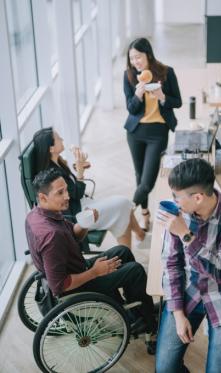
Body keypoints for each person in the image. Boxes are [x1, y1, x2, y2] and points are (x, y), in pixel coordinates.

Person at [25, 168, 157, 349]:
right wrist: (95, 272)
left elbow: (72, 234)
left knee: (122, 251)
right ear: (43, 197)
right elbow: (59, 286)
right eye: (60, 193)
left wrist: (86, 224)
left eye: (66, 190)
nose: (67, 196)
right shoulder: (51, 236)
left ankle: (137, 308)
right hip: (75, 286)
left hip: (77, 268)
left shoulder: (35, 214)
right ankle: (149, 323)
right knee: (135, 270)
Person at [155, 158, 221, 373]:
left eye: (176, 197)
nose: (174, 201)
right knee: (164, 369)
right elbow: (171, 264)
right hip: (189, 289)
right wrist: (178, 314)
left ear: (198, 197)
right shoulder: (178, 214)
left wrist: (186, 235)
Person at [32, 127, 145, 249]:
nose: (62, 139)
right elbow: (75, 193)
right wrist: (80, 172)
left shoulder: (57, 162)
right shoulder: (52, 174)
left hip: (81, 203)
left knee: (123, 206)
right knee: (122, 204)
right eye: (58, 138)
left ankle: (140, 236)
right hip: (78, 214)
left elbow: (72, 187)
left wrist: (79, 165)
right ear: (51, 148)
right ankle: (134, 247)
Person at [123, 37, 182, 231]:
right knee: (139, 177)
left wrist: (162, 97)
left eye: (138, 57)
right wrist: (138, 94)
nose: (135, 62)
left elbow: (178, 101)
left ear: (148, 54)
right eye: (132, 58)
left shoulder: (166, 72)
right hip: (135, 132)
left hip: (158, 133)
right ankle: (145, 215)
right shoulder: (129, 76)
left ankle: (127, 212)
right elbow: (131, 109)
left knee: (147, 182)